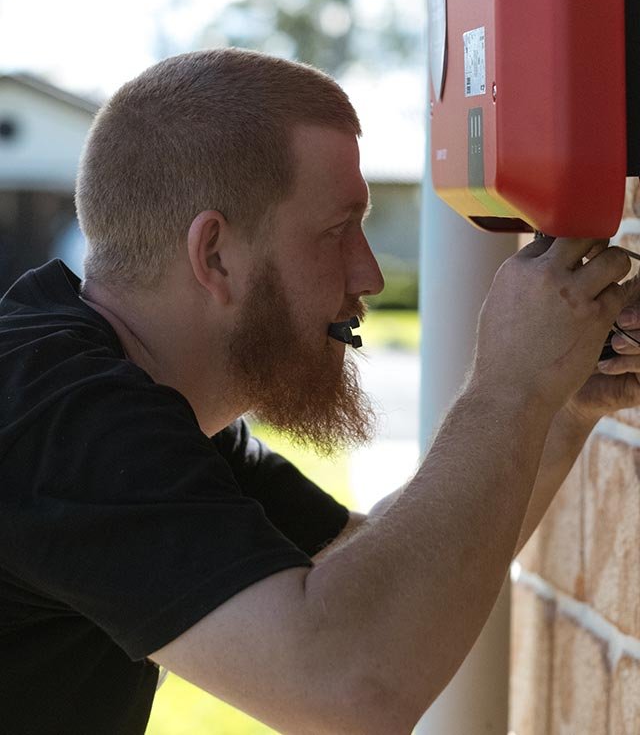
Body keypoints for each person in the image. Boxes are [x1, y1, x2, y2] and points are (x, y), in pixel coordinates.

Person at [1, 48, 639, 735]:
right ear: (214, 254)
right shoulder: (62, 412)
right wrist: (507, 388)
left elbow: (375, 582)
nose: (368, 274)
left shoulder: (131, 404)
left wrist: (559, 408)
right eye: (338, 231)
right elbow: (347, 684)